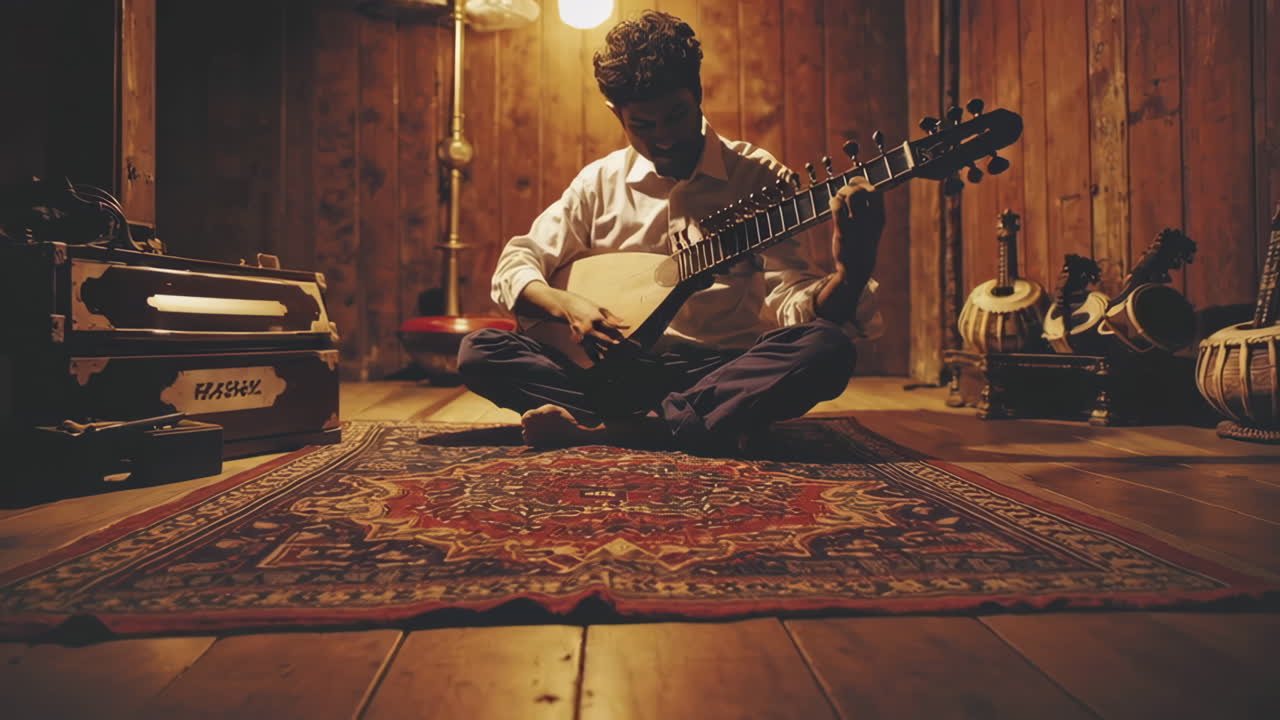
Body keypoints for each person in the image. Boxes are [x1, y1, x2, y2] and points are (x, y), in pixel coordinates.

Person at [457, 10, 884, 453]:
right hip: (611, 374)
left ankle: (617, 430)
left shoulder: (758, 178)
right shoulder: (599, 183)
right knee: (481, 350)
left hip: (715, 373)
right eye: (642, 125)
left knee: (825, 348)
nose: (663, 138)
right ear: (616, 114)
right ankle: (693, 424)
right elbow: (515, 265)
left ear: (697, 95)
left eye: (676, 116)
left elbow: (792, 306)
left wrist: (851, 274)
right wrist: (569, 306)